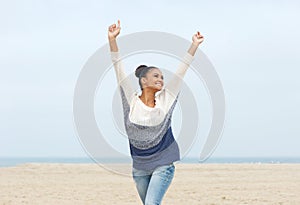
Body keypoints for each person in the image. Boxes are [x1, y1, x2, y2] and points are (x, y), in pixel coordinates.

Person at [108, 20, 204, 205]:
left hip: (163, 164)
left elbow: (182, 70)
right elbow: (117, 66)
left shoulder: (166, 101)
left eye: (162, 76)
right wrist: (112, 39)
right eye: (156, 76)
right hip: (139, 168)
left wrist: (194, 45)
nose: (161, 79)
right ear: (143, 81)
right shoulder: (131, 101)